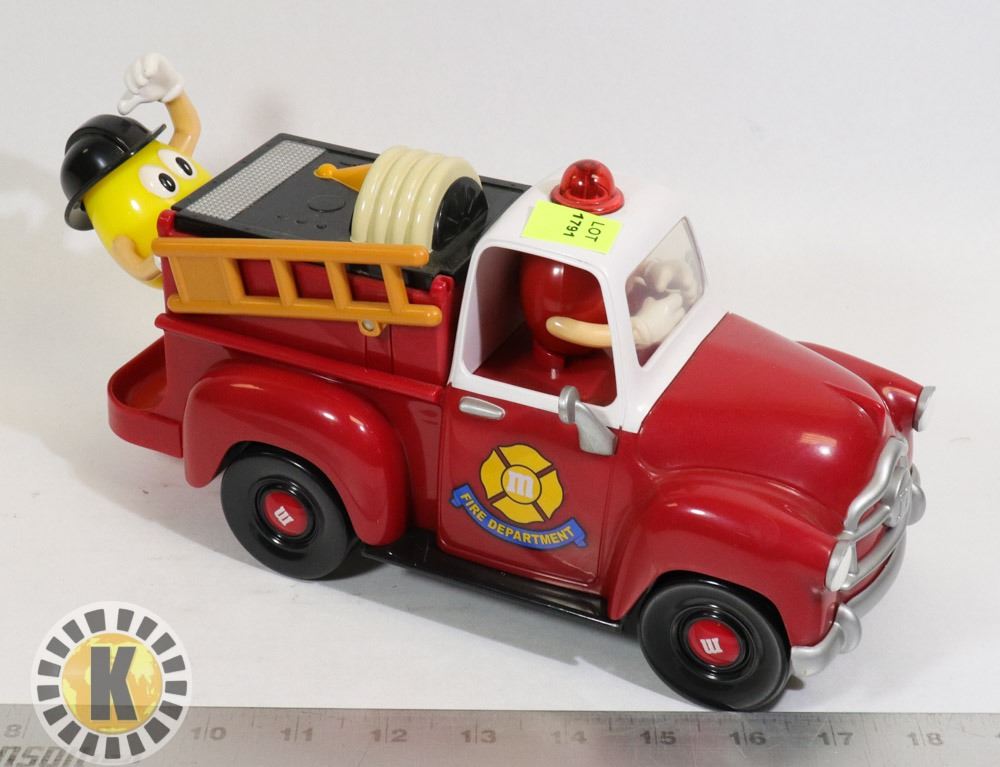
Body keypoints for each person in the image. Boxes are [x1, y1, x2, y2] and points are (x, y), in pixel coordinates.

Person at [61, 54, 211, 287]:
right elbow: (139, 267)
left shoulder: (165, 160)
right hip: (193, 281)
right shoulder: (120, 238)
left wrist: (172, 93)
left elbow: (188, 129)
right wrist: (161, 256)